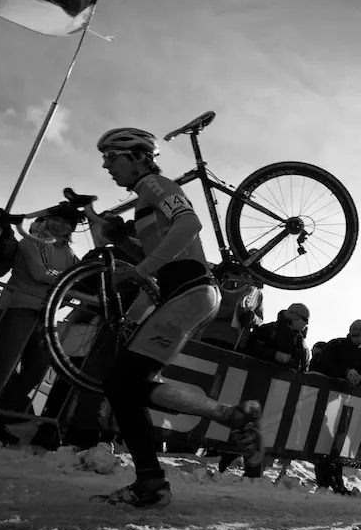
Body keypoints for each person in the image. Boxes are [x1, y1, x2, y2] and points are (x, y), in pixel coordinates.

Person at [82, 126, 263, 508]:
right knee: (127, 385)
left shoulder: (155, 185)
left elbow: (190, 225)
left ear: (134, 156)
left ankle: (152, 483)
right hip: (187, 294)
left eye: (111, 158)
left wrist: (145, 266)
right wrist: (121, 239)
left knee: (120, 384)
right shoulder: (145, 199)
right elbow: (167, 246)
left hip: (189, 292)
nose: (107, 166)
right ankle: (231, 417)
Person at [0, 205, 81, 440]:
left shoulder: (69, 252)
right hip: (18, 307)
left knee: (36, 370)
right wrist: (68, 282)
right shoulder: (33, 240)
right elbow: (41, 273)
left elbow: (77, 281)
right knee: (2, 363)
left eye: (68, 222)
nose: (62, 225)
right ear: (47, 219)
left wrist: (68, 285)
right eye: (57, 219)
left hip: (46, 315)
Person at [243, 303, 311, 371]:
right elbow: (250, 345)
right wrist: (274, 354)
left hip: (282, 380)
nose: (306, 323)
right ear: (294, 317)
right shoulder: (268, 330)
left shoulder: (301, 345)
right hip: (255, 373)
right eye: (305, 319)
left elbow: (303, 371)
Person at [310, 319, 361, 385]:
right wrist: (345, 372)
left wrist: (360, 377)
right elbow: (323, 365)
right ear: (358, 333)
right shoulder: (335, 346)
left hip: (348, 392)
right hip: (328, 388)